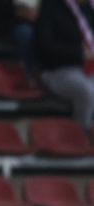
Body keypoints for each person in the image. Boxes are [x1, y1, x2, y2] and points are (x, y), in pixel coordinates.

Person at [35, 0, 94, 130]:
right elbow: (45, 46)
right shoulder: (52, 6)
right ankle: (82, 134)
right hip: (59, 70)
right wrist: (80, 53)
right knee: (88, 91)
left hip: (89, 69)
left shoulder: (89, 9)